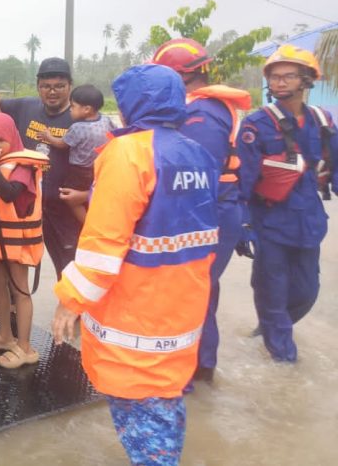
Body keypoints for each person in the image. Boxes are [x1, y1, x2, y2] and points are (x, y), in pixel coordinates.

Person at [51, 64, 219, 466]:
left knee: (145, 432)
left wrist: (69, 300)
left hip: (136, 323)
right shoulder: (198, 153)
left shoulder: (128, 154)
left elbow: (102, 245)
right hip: (181, 318)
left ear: (129, 108)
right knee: (165, 411)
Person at [151, 38, 251, 384]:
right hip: (220, 211)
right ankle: (201, 364)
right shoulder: (206, 108)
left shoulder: (201, 115)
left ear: (178, 78)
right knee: (203, 289)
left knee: (191, 291)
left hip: (210, 213)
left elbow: (194, 178)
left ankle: (191, 371)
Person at [237, 44, 338, 363]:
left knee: (308, 293)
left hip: (309, 223)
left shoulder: (323, 121)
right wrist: (242, 223)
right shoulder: (256, 124)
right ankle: (284, 362)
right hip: (270, 224)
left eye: (288, 76)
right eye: (275, 77)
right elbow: (244, 179)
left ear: (307, 80)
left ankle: (269, 328)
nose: (280, 82)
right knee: (272, 291)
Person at [0, 56, 80, 277]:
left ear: (70, 87)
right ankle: (11, 305)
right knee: (14, 259)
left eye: (59, 86)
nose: (52, 91)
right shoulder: (26, 106)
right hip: (23, 203)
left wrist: (84, 194)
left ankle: (72, 310)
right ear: (39, 87)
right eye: (46, 86)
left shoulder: (80, 117)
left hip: (62, 208)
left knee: (69, 265)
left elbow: (96, 160)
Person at [0, 113, 48, 369]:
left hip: (17, 242)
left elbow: (8, 194)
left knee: (20, 291)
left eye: (0, 140)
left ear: (11, 138)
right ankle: (5, 335)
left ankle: (25, 347)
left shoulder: (23, 165)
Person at [40, 84, 115, 224]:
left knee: (70, 199)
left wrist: (48, 136)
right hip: (99, 168)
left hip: (79, 172)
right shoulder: (106, 120)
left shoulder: (77, 128)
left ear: (86, 109)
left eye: (73, 106)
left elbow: (61, 144)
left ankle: (88, 224)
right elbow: (114, 135)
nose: (70, 110)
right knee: (93, 193)